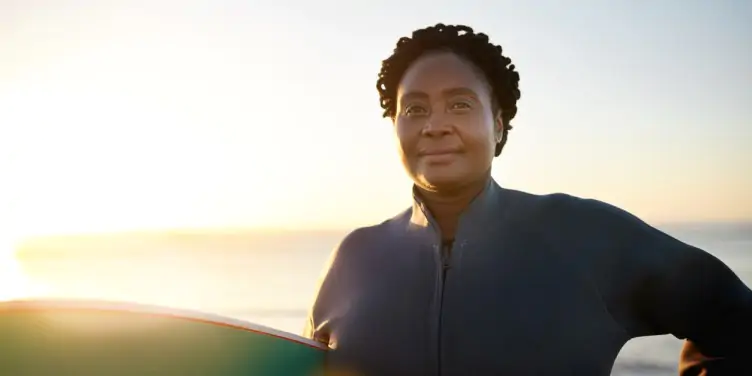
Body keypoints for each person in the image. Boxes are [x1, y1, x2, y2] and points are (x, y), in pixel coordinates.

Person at [303, 23, 752, 375]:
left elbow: (737, 323)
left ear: (498, 125)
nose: (434, 125)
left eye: (459, 105)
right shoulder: (355, 256)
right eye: (414, 109)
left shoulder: (585, 234)